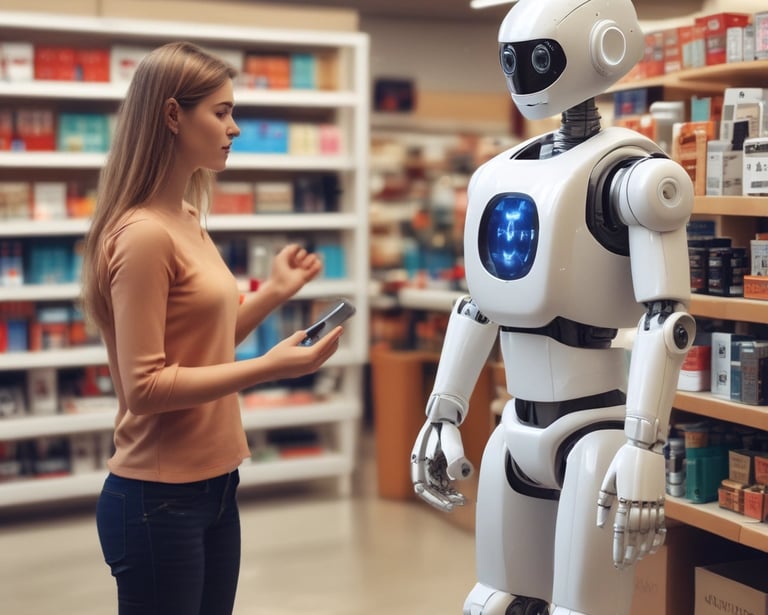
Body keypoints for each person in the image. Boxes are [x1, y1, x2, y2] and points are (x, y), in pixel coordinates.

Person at [81, 41, 343, 615]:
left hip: (216, 486)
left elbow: (200, 348)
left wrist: (273, 294)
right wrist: (269, 368)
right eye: (221, 112)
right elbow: (146, 388)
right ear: (173, 115)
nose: (236, 128)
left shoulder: (187, 218)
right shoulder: (145, 234)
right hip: (158, 497)